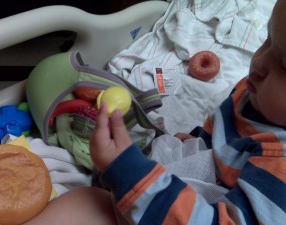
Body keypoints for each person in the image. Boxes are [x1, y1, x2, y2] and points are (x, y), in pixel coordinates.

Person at [24, 0, 286, 224]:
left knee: (85, 203)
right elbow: (227, 134)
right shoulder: (258, 92)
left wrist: (128, 171)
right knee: (83, 201)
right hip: (202, 186)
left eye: (284, 65)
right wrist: (199, 141)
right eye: (268, 40)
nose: (260, 63)